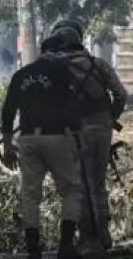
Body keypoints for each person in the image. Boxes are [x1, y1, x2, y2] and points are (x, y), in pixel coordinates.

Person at [46, 20, 126, 256]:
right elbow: (120, 94)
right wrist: (111, 118)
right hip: (101, 128)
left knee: (78, 184)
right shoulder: (98, 64)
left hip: (74, 131)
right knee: (98, 182)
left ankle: (87, 238)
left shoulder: (56, 70)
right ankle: (103, 234)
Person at [1, 34, 84, 259]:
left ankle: (33, 250)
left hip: (27, 139)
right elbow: (73, 107)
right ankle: (66, 246)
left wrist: (8, 146)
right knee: (70, 189)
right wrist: (78, 137)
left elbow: (7, 113)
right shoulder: (63, 73)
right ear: (59, 52)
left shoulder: (21, 75)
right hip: (57, 137)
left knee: (30, 195)